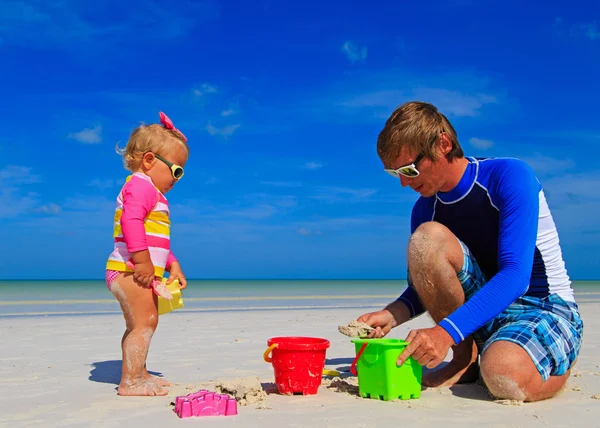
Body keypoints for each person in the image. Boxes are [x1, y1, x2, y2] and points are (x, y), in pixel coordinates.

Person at [357, 101, 583, 402]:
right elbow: (426, 287)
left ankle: (555, 364)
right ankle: (464, 361)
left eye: (409, 169)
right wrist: (391, 314)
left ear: (443, 144)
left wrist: (443, 333)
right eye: (394, 173)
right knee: (427, 239)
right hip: (482, 312)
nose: (403, 183)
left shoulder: (508, 176)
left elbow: (516, 277)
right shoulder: (425, 209)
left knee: (502, 375)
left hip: (542, 306)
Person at [105, 112, 189, 396]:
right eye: (177, 170)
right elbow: (131, 223)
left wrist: (172, 265)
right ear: (150, 160)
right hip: (130, 269)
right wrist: (142, 262)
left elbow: (157, 241)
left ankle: (138, 371)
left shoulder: (151, 192)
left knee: (138, 324)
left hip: (136, 268)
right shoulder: (141, 186)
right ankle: (130, 381)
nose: (178, 178)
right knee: (146, 322)